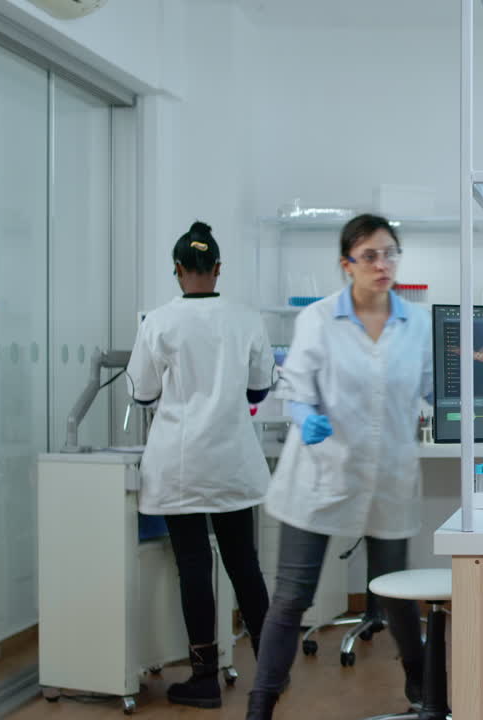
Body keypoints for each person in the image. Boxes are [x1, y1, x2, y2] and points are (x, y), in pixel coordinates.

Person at [246, 214, 432, 719]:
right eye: (369, 255)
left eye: (390, 253)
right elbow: (296, 390)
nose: (382, 264)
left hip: (387, 476)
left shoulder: (417, 324)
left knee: (396, 595)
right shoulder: (319, 319)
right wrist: (305, 416)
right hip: (320, 476)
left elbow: (433, 389)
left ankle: (421, 685)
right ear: (346, 264)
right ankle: (260, 704)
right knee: (290, 599)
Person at [126, 221, 273, 709]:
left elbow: (142, 392)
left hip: (181, 462)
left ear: (176, 271)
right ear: (217, 269)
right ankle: (272, 671)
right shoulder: (246, 318)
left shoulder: (158, 322)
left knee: (193, 564)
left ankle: (204, 677)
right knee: (243, 564)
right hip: (232, 461)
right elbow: (258, 390)